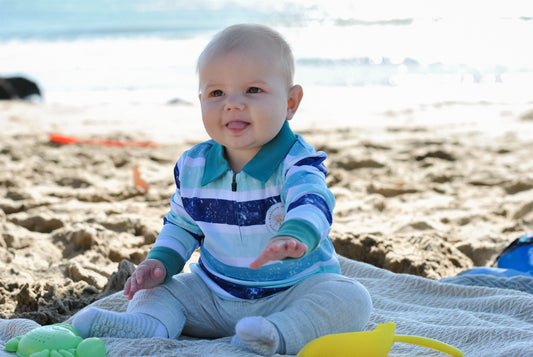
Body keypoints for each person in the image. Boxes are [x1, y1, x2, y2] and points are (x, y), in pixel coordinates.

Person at [72, 23, 372, 356]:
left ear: (290, 102)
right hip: (213, 296)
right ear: (200, 99)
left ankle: (276, 334)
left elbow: (312, 200)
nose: (232, 104)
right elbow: (182, 224)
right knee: (161, 291)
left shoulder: (295, 160)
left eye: (253, 90)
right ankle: (147, 324)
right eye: (217, 93)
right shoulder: (194, 165)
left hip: (292, 292)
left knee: (351, 298)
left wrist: (295, 233)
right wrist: (159, 262)